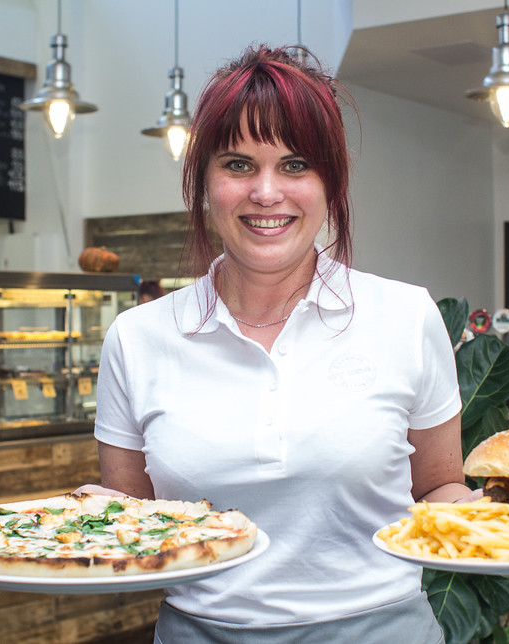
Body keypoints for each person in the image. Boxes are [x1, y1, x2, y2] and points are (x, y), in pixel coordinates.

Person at [79, 45, 473, 643]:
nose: (267, 193)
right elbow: (137, 521)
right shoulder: (137, 338)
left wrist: (491, 526)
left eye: (295, 165)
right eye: (238, 165)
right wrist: (87, 522)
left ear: (331, 183)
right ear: (203, 181)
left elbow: (440, 485)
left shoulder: (405, 315)